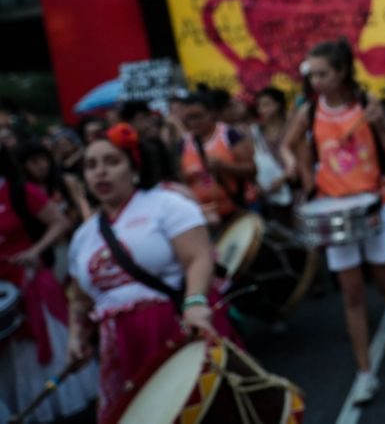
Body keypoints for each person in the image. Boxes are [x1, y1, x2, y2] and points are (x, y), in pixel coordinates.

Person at [66, 124, 237, 422]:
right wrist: (76, 335)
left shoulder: (166, 205)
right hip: (119, 344)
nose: (100, 172)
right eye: (91, 166)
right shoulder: (84, 236)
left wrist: (195, 304)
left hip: (171, 328)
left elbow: (198, 258)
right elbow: (80, 295)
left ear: (133, 166)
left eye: (112, 161)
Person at [280, 39, 385, 404]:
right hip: (333, 212)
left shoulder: (367, 105)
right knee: (352, 295)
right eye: (312, 74)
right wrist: (290, 161)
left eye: (323, 73)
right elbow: (285, 144)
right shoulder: (309, 111)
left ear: (341, 72)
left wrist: (382, 126)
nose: (316, 80)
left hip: (373, 204)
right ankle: (364, 372)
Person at [0, 144, 98, 422]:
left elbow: (59, 222)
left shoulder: (19, 191)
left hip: (32, 290)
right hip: (2, 303)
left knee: (40, 360)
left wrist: (34, 251)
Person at [179, 91, 257, 227]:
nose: (193, 123)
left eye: (197, 117)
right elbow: (178, 179)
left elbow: (252, 169)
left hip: (238, 209)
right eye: (188, 118)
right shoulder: (183, 143)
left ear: (211, 113)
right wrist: (187, 176)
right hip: (207, 218)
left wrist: (224, 167)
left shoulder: (228, 135)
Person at [250, 87, 293, 219]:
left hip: (294, 187)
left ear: (279, 105)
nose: (262, 109)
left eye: (267, 104)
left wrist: (283, 178)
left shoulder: (293, 127)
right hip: (269, 193)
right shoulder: (255, 132)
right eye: (260, 106)